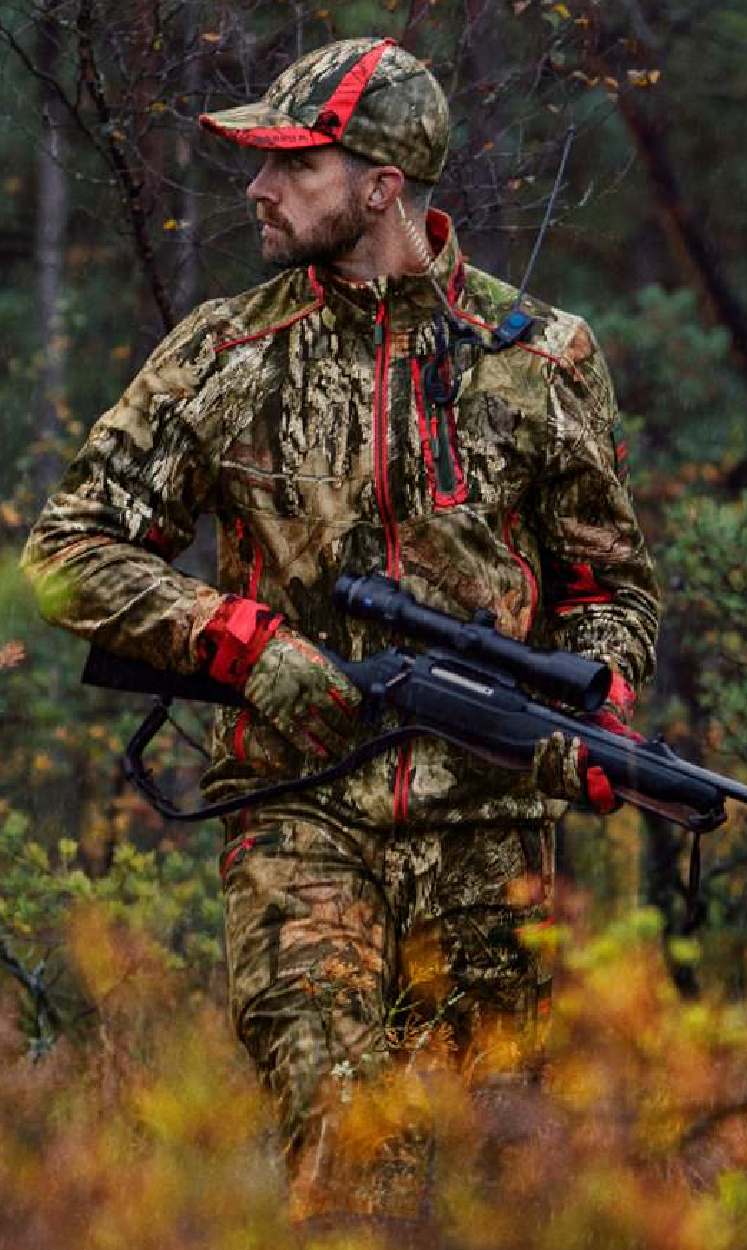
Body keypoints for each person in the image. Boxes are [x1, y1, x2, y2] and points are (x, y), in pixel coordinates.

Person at [22, 35, 660, 1235]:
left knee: (495, 1189)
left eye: (292, 164)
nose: (258, 190)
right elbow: (66, 552)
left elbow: (608, 583)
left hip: (491, 835)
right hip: (296, 811)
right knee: (349, 1150)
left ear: (379, 186)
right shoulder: (226, 351)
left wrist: (600, 700)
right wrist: (242, 644)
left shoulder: (542, 355)